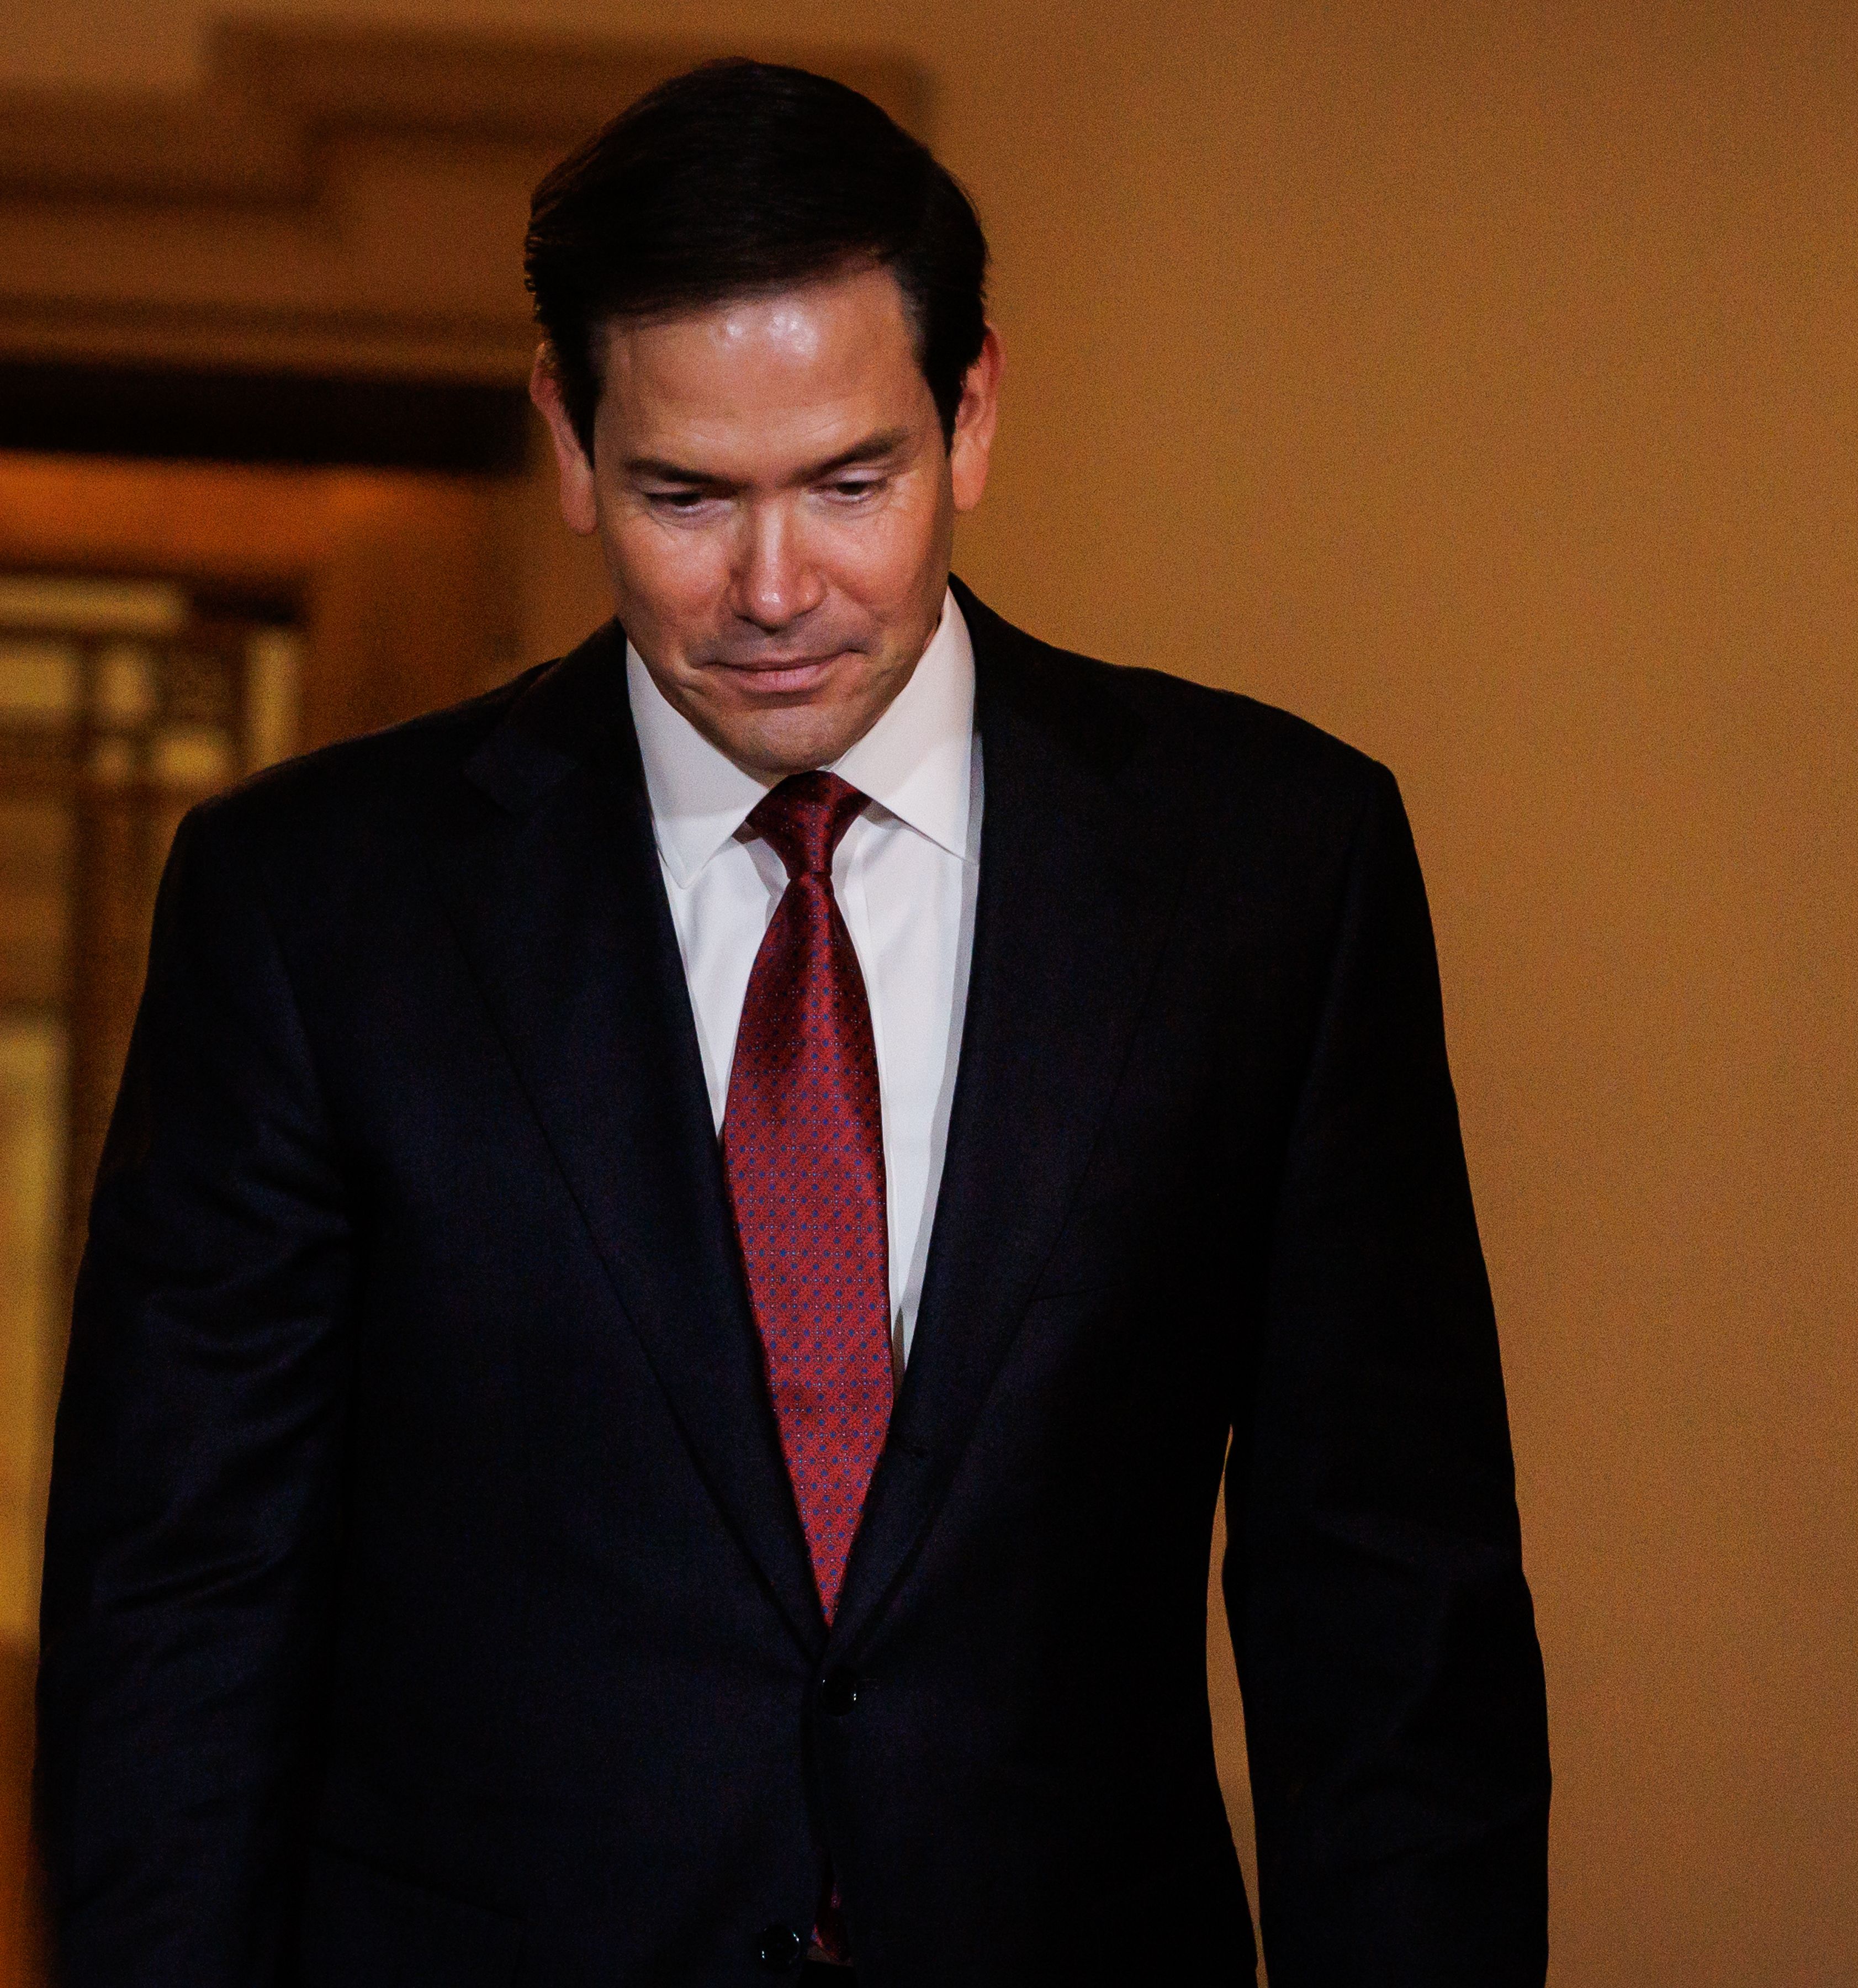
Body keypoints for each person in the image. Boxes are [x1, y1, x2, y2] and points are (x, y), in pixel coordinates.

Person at [35, 57, 1547, 1987]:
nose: (775, 589)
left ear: (972, 411)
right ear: (569, 442)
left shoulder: (1268, 869)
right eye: (686, 495)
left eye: (852, 483)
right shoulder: (317, 910)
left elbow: (1391, 1612)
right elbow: (181, 1614)